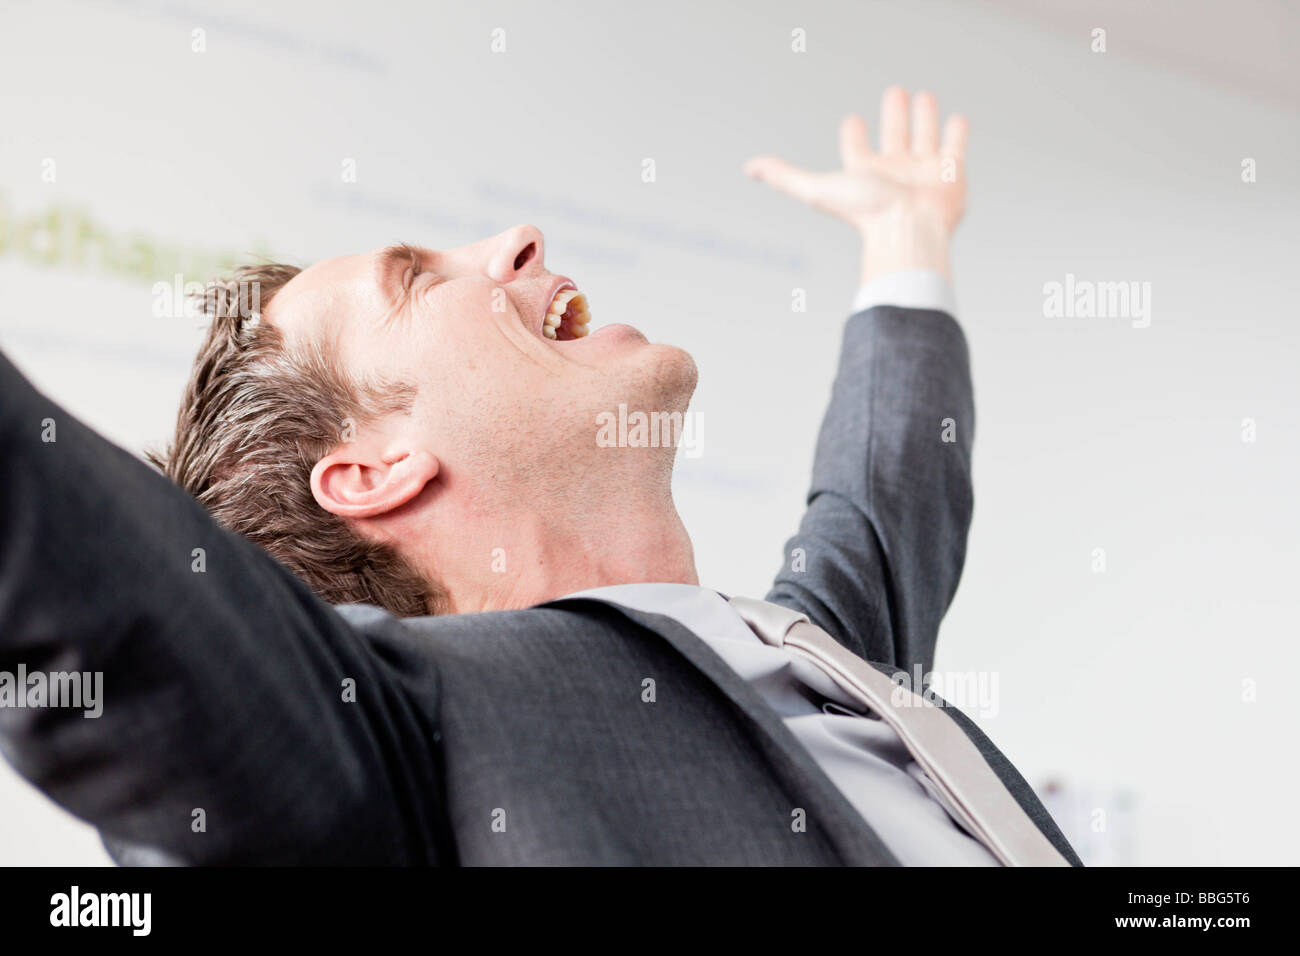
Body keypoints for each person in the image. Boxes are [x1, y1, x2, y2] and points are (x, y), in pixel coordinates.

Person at [0, 87, 1080, 865]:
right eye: (417, 280)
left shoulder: (802, 655)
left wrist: (905, 239)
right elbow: (105, 598)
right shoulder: (418, 739)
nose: (514, 242)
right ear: (373, 470)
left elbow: (887, 491)